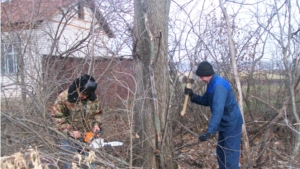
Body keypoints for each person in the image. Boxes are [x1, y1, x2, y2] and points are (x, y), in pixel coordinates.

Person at [184, 61, 243, 169]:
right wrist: (193, 96)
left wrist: (210, 131)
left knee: (230, 157)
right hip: (224, 124)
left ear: (208, 74)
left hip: (231, 124)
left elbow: (218, 110)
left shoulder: (218, 86)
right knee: (221, 153)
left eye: (202, 76)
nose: (200, 79)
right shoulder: (211, 84)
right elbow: (206, 100)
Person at [51, 74, 102, 169]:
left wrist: (96, 124)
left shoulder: (93, 98)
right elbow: (56, 117)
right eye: (83, 94)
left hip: (87, 137)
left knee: (90, 164)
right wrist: (70, 131)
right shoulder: (64, 97)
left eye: (87, 95)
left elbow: (97, 113)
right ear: (77, 88)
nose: (84, 97)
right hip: (68, 139)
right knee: (71, 165)